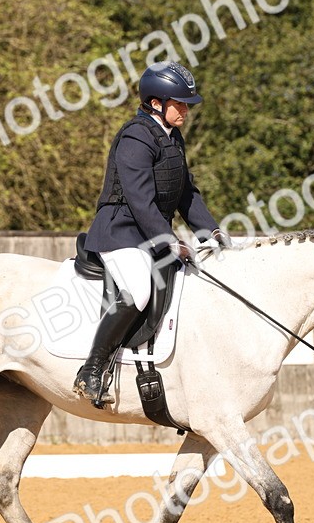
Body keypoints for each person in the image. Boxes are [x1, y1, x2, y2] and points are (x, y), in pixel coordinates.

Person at [74, 61, 232, 404]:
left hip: (149, 231)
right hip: (121, 231)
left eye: (187, 104)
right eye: (180, 103)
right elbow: (140, 201)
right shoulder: (136, 137)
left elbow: (186, 193)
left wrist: (212, 231)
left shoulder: (172, 138)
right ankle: (92, 368)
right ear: (156, 103)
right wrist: (171, 241)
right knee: (139, 290)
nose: (186, 110)